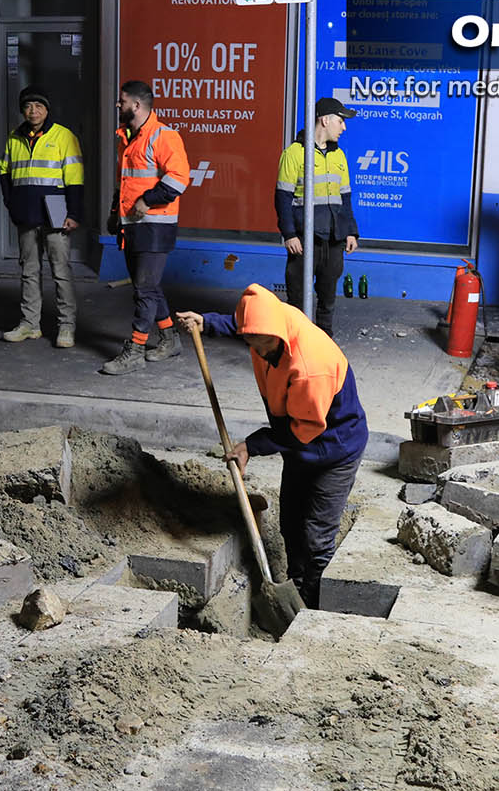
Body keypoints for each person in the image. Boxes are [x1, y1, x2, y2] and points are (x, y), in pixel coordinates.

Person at [176, 284, 368, 609]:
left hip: (334, 447)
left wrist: (250, 445)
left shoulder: (309, 367)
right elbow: (241, 327)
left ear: (273, 336)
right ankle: (294, 582)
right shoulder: (270, 328)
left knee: (317, 536)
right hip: (298, 444)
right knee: (291, 524)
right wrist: (205, 323)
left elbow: (301, 431)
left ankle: (311, 607)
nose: (251, 348)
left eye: (256, 344)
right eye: (248, 340)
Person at [102, 80, 191, 375]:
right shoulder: (127, 138)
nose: (118, 105)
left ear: (137, 106)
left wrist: (146, 201)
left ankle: (136, 350)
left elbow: (179, 178)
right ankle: (169, 339)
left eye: (122, 101)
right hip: (133, 225)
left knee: (144, 289)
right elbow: (124, 182)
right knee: (148, 287)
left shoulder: (163, 135)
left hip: (155, 225)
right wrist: (116, 213)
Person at [0, 85, 84, 348]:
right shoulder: (14, 137)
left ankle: (66, 327)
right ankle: (29, 324)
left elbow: (75, 179)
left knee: (61, 271)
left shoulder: (63, 136)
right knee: (29, 271)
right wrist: (11, 205)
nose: (33, 111)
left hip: (56, 210)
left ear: (47, 109)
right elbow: (5, 173)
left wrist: (74, 213)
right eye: (28, 106)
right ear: (22, 110)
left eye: (38, 106)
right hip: (25, 212)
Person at [276, 97, 360, 336]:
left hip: (334, 238)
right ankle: (298, 343)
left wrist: (351, 231)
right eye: (340, 121)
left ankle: (324, 343)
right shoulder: (294, 153)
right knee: (298, 298)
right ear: (325, 120)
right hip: (304, 240)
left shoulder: (339, 156)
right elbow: (282, 197)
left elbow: (345, 199)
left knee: (328, 296)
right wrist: (289, 234)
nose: (344, 127)